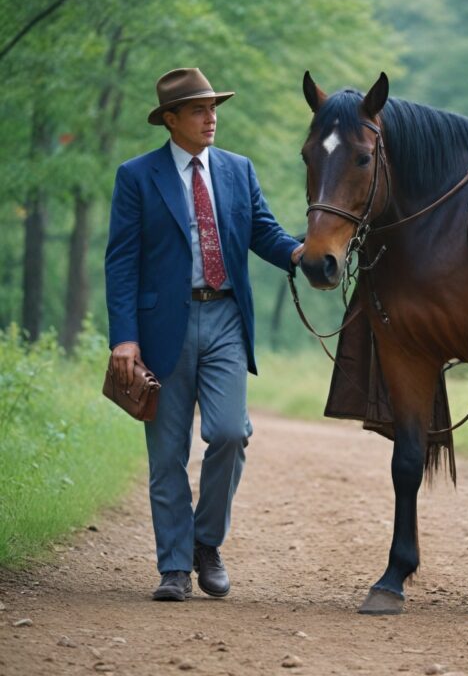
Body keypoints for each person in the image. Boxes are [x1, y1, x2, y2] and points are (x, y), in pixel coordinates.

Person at [105, 67, 303, 601]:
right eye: (198, 110)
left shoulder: (238, 170)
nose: (211, 118)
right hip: (158, 327)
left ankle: (205, 543)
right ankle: (173, 568)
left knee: (230, 432)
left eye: (214, 108)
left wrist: (300, 254)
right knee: (167, 453)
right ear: (170, 120)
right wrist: (124, 337)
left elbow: (263, 231)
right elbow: (120, 263)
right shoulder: (137, 176)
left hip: (225, 320)